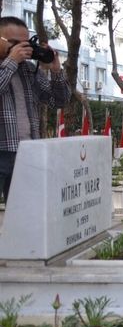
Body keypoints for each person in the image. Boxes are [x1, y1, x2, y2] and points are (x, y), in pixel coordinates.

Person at [0, 16, 70, 201]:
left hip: (27, 151)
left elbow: (59, 101)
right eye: (14, 43)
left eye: (25, 44)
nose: (22, 49)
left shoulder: (29, 69)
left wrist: (56, 70)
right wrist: (11, 62)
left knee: (25, 211)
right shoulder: (13, 64)